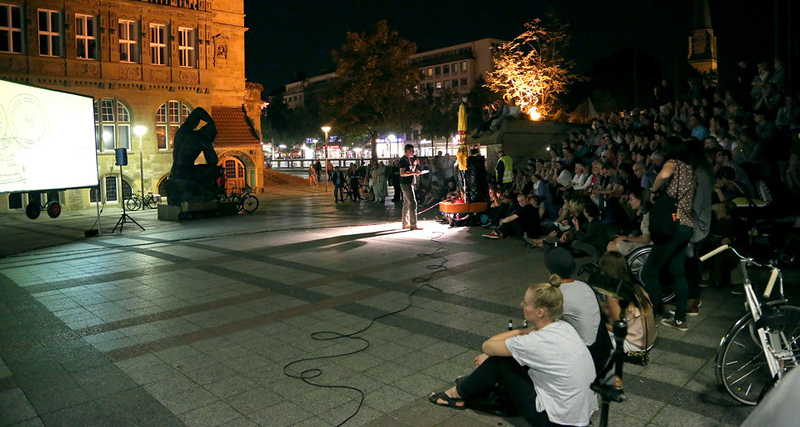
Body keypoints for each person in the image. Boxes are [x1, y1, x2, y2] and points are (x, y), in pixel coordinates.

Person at [428, 275, 598, 426]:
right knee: (512, 357)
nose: (521, 304)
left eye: (526, 303)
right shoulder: (564, 327)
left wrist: (521, 331)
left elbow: (487, 346)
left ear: (539, 312)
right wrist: (530, 330)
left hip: (556, 420)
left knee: (500, 361)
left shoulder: (536, 341)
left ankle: (456, 394)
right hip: (578, 412)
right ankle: (474, 385)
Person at [642, 136, 696, 331]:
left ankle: (652, 317)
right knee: (677, 271)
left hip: (673, 225)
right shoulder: (690, 169)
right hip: (686, 226)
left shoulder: (673, 163)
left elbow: (663, 175)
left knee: (649, 272)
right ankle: (680, 320)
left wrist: (654, 190)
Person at [598, 252, 657, 353]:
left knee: (594, 331)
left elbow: (618, 329)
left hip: (635, 345)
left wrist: (599, 324)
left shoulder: (613, 296)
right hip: (649, 340)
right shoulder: (637, 287)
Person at [398, 144, 423, 230]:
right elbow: (402, 173)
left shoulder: (408, 160)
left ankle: (405, 223)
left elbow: (410, 170)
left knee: (406, 204)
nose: (413, 152)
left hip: (409, 183)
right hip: (406, 184)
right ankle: (413, 224)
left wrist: (414, 165)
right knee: (413, 203)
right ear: (407, 151)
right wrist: (414, 173)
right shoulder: (403, 160)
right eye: (412, 150)